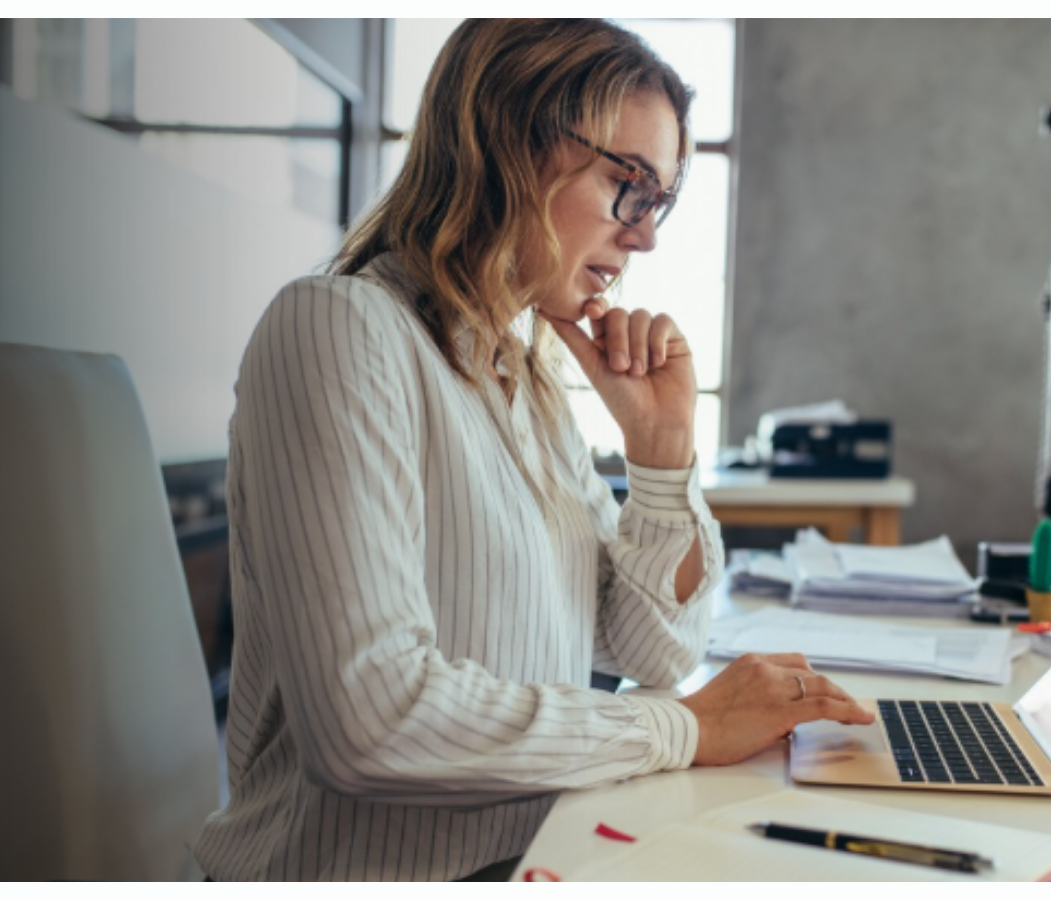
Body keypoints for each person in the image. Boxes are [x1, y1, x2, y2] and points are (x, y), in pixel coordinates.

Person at [192, 19, 873, 881]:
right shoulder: (339, 329)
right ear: (510, 144)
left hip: (534, 860)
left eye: (659, 202)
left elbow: (649, 652)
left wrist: (661, 457)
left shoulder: (526, 376)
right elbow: (372, 722)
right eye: (631, 186)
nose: (645, 237)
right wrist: (687, 729)